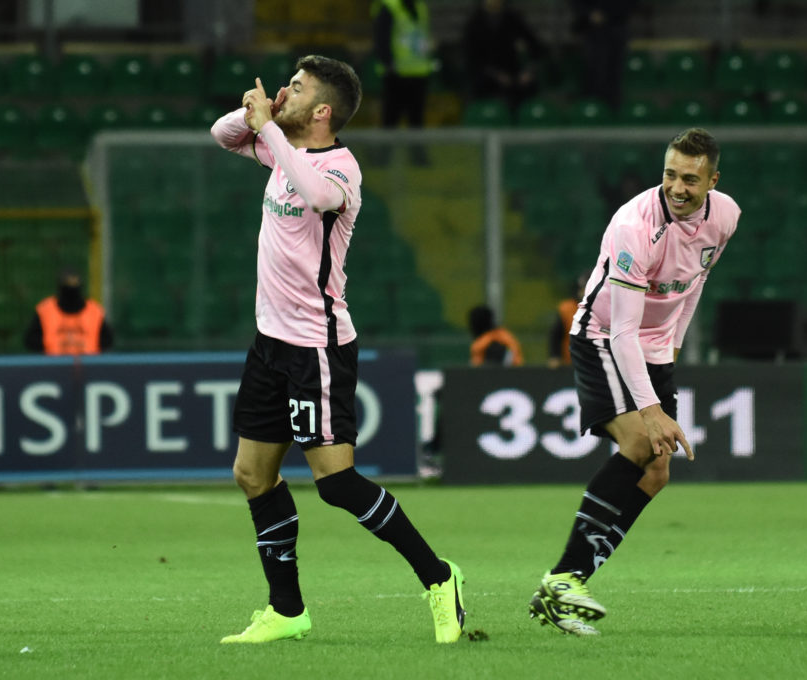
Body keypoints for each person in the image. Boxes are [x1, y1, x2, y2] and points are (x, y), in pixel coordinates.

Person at [210, 55, 465, 645]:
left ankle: (439, 577)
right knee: (252, 474)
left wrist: (271, 130)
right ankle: (286, 610)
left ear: (322, 111)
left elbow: (319, 196)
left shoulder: (340, 168)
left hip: (317, 346)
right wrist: (261, 115)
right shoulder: (280, 149)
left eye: (296, 89)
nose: (285, 91)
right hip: (270, 343)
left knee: (336, 483)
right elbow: (222, 135)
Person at [527, 128, 740, 635]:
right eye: (670, 174)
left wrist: (673, 348)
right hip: (603, 337)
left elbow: (696, 280)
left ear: (712, 181)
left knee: (656, 473)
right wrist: (651, 408)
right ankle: (564, 578)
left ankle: (565, 585)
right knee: (642, 441)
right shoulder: (634, 225)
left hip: (655, 347)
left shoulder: (726, 216)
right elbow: (622, 330)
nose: (678, 187)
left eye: (690, 179)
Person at [462, 0, 545, 113]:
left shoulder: (512, 18)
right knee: (481, 85)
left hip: (512, 72)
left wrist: (528, 71)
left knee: (527, 87)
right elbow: (473, 58)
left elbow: (536, 47)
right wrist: (496, 75)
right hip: (486, 75)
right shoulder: (475, 23)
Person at [371, 0, 431, 138]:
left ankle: (417, 150)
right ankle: (386, 151)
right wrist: (388, 63)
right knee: (391, 120)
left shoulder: (420, 6)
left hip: (419, 72)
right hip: (396, 74)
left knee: (416, 122)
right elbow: (381, 37)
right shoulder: (390, 7)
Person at [567, 0, 638, 110]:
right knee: (595, 69)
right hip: (593, 28)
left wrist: (615, 13)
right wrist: (590, 13)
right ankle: (591, 107)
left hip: (618, 25)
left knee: (614, 71)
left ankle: (613, 107)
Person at [24, 269, 113, 355]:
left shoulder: (94, 312)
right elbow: (31, 340)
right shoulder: (45, 311)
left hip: (88, 364)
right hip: (52, 364)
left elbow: (107, 340)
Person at [546, 273, 588, 368]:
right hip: (570, 363)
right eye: (582, 289)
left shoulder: (605, 308)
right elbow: (556, 335)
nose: (583, 292)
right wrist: (555, 356)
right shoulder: (567, 309)